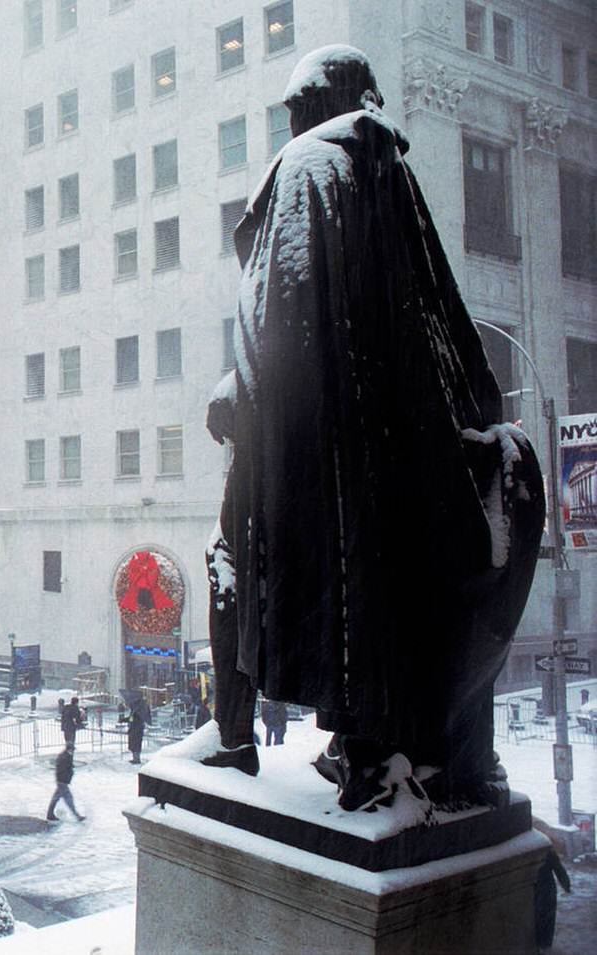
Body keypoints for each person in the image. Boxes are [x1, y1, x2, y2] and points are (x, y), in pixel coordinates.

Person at [201, 45, 544, 810]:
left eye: (294, 113)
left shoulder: (307, 172)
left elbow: (281, 330)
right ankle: (420, 750)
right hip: (413, 447)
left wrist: (239, 399)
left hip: (327, 456)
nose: (290, 125)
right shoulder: (389, 173)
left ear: (314, 108)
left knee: (232, 557)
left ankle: (245, 739)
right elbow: (440, 319)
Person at [46, 742, 84, 822]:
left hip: (62, 782)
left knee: (57, 799)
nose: (73, 751)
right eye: (73, 750)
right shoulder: (65, 757)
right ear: (69, 749)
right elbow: (63, 769)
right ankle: (77, 816)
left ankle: (50, 814)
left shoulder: (65, 756)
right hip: (62, 782)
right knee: (67, 799)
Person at [125, 692, 152, 763]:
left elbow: (133, 719)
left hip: (136, 730)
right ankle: (135, 758)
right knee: (135, 745)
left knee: (135, 745)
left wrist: (128, 720)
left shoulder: (137, 710)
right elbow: (131, 719)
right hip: (135, 730)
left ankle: (136, 759)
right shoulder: (135, 710)